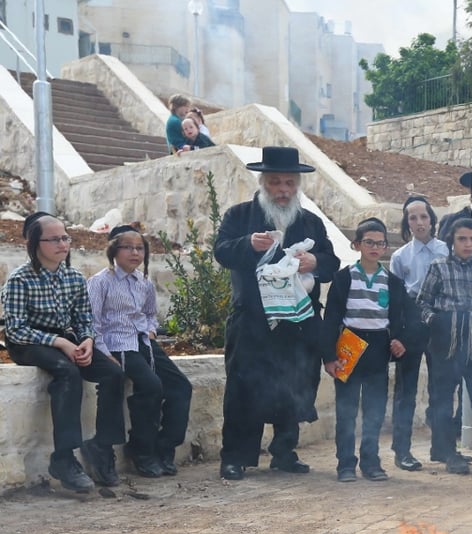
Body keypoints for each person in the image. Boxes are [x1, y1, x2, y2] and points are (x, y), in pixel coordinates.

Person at [214, 146, 338, 481]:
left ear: (297, 185)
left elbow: (331, 262)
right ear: (262, 183)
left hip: (297, 325)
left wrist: (316, 262)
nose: (283, 190)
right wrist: (247, 245)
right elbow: (221, 251)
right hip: (252, 322)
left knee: (294, 385)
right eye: (275, 183)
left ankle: (284, 452)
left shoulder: (310, 221)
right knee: (243, 389)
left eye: (288, 183)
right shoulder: (239, 216)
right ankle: (235, 458)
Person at [2, 215, 126, 491]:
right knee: (68, 372)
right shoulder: (19, 279)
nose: (62, 244)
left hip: (66, 340)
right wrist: (61, 343)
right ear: (35, 243)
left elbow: (84, 318)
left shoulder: (73, 277)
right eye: (54, 239)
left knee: (113, 373)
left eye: (65, 238)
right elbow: (16, 329)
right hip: (28, 343)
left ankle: (102, 447)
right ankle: (63, 459)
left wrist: (86, 341)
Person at [88, 225, 193, 478]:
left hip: (143, 341)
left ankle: (165, 446)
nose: (135, 253)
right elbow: (92, 321)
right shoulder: (101, 282)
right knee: (151, 386)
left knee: (181, 387)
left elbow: (149, 315)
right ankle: (141, 449)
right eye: (128, 247)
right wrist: (104, 353)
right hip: (118, 343)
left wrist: (151, 330)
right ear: (114, 250)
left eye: (140, 248)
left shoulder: (144, 282)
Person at [416, 217, 472, 475]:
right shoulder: (438, 267)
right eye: (462, 239)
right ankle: (447, 452)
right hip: (446, 339)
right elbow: (422, 303)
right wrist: (436, 322)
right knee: (443, 399)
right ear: (451, 241)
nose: (468, 244)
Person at [321, 218, 407, 483]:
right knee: (346, 410)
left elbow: (400, 318)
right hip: (349, 346)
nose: (374, 247)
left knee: (375, 410)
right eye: (368, 242)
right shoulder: (344, 278)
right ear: (356, 244)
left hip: (378, 348)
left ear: (385, 247)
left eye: (380, 243)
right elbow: (331, 319)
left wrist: (400, 339)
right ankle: (345, 463)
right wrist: (329, 357)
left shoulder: (391, 281)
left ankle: (371, 462)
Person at [388, 195, 446, 471]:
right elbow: (395, 299)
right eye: (413, 218)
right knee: (406, 390)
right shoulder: (400, 257)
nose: (419, 222)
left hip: (439, 320)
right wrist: (396, 334)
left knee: (441, 387)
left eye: (424, 216)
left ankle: (443, 448)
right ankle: (402, 451)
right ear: (406, 223)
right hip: (411, 322)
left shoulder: (446, 251)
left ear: (432, 219)